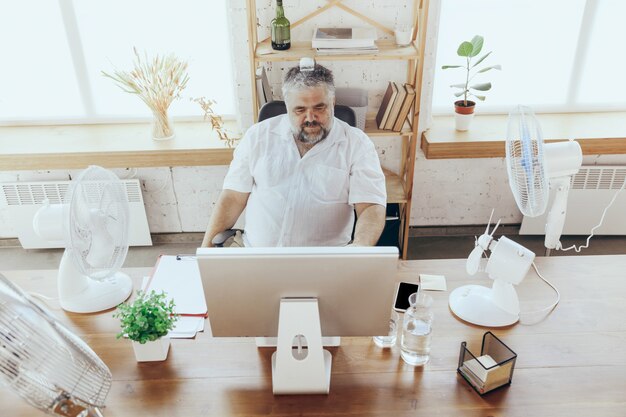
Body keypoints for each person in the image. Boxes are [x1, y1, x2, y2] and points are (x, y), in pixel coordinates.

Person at [201, 60, 386, 248]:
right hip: (257, 256)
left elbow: (370, 206)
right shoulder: (257, 136)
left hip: (325, 263)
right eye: (300, 110)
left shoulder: (357, 144)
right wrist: (206, 253)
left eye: (319, 107)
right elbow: (233, 197)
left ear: (333, 103)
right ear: (287, 107)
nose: (310, 118)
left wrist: (360, 248)